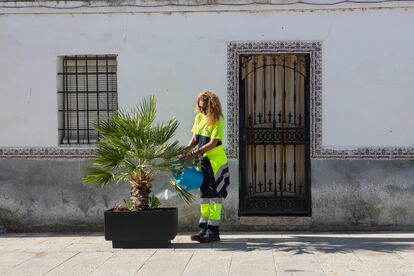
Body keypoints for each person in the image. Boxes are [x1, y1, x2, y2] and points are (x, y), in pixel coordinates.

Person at [184, 90, 230, 243]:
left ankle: (213, 232)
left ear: (212, 105)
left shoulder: (218, 120)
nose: (202, 110)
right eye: (200, 107)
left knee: (214, 197)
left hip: (215, 163)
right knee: (204, 196)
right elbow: (194, 140)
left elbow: (213, 143)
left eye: (205, 107)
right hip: (202, 162)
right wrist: (183, 153)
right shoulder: (199, 118)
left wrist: (194, 153)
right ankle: (203, 230)